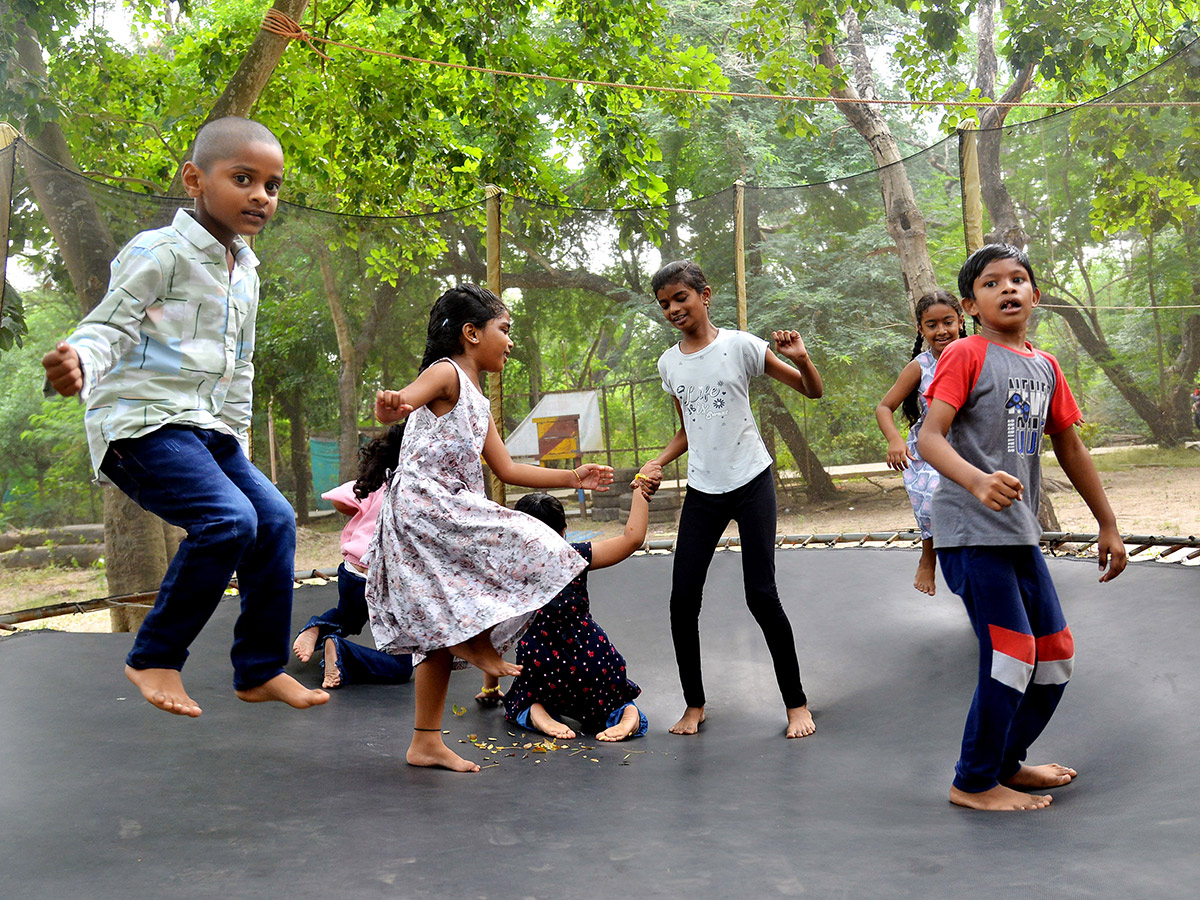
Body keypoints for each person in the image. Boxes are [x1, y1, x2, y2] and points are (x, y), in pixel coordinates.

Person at [40, 117, 328, 717]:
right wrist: (78, 364)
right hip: (140, 425)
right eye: (243, 179)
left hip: (208, 430)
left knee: (272, 517)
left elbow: (239, 366)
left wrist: (238, 448)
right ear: (195, 180)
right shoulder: (158, 252)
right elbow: (107, 327)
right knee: (229, 522)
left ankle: (257, 670)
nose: (261, 196)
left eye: (272, 186)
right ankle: (154, 656)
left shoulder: (245, 270)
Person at [366, 283, 615, 772]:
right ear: (471, 333)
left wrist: (573, 476)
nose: (510, 340)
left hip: (448, 508)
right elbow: (408, 399)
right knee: (530, 538)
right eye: (505, 329)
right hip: (427, 505)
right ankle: (473, 640)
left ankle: (425, 740)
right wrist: (393, 404)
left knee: (437, 631)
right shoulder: (446, 373)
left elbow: (508, 469)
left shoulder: (479, 399)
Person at [918, 243, 1126, 811]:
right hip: (969, 531)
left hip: (1017, 534)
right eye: (991, 283)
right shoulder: (966, 353)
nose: (1007, 289)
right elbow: (929, 437)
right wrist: (977, 481)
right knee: (1011, 655)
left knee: (1054, 655)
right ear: (970, 303)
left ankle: (1005, 763)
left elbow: (1070, 444)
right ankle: (974, 782)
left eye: (1018, 280)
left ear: (1034, 294)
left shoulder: (1045, 366)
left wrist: (1107, 522)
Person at [635, 260, 824, 739]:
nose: (673, 309)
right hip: (703, 489)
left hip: (751, 481)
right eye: (664, 305)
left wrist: (802, 357)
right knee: (682, 601)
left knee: (761, 595)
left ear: (704, 294)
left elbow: (811, 391)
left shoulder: (739, 345)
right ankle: (694, 705)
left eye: (680, 298)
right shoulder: (668, 363)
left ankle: (796, 704)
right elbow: (686, 429)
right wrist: (655, 462)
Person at [504, 487, 652, 742]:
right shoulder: (574, 554)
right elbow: (632, 539)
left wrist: (490, 685)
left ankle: (537, 712)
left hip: (542, 659)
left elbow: (494, 623)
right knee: (612, 699)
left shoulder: (511, 565)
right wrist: (640, 491)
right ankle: (626, 713)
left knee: (524, 696)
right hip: (589, 654)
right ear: (563, 531)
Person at [292, 425, 415, 690]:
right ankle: (340, 650)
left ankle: (316, 627)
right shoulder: (419, 487)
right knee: (401, 667)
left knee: (347, 617)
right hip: (384, 582)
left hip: (353, 571)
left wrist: (362, 514)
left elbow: (338, 499)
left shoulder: (376, 482)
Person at [874, 291, 967, 595]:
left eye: (948, 322)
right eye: (932, 324)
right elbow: (884, 407)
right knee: (932, 496)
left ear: (961, 320)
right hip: (928, 449)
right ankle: (928, 557)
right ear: (920, 329)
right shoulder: (920, 365)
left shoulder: (977, 355)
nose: (941, 330)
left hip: (969, 446)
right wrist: (894, 439)